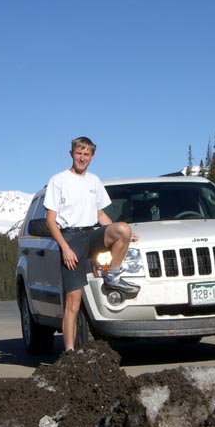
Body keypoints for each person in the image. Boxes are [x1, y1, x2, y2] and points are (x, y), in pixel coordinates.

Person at [44, 136, 139, 353]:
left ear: (92, 156)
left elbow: (100, 214)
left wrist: (122, 235)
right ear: (71, 154)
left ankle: (112, 275)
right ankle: (69, 351)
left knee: (123, 228)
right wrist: (65, 248)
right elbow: (50, 219)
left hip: (92, 234)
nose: (82, 158)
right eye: (79, 153)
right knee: (73, 302)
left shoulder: (94, 181)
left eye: (87, 154)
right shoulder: (58, 180)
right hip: (71, 239)